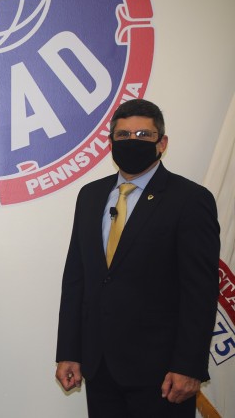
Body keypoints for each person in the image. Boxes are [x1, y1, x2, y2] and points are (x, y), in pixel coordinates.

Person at [55, 98, 220, 417]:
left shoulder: (190, 200)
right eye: (123, 135)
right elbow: (76, 278)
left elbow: (200, 292)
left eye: (144, 135)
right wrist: (69, 352)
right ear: (111, 143)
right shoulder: (90, 196)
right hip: (99, 368)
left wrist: (189, 367)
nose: (133, 142)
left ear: (162, 143)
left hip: (163, 376)